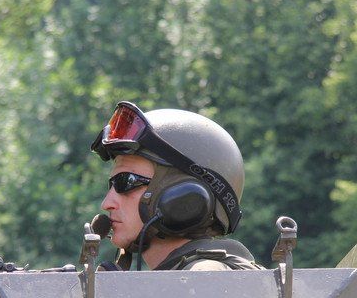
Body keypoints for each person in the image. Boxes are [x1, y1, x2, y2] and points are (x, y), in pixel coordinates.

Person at [91, 101, 262, 271]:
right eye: (112, 184)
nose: (107, 204)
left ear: (185, 196)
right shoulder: (182, 278)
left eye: (126, 182)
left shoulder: (205, 275)